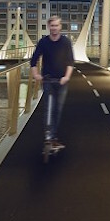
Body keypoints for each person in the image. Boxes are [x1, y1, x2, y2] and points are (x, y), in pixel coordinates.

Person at [30, 16, 74, 150]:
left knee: (58, 109)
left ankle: (53, 137)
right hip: (48, 79)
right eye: (52, 26)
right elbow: (34, 60)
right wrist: (36, 75)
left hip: (62, 81)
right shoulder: (43, 42)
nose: (54, 28)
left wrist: (66, 77)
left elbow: (70, 62)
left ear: (60, 27)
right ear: (49, 27)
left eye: (56, 25)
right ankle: (48, 136)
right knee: (49, 108)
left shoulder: (66, 42)